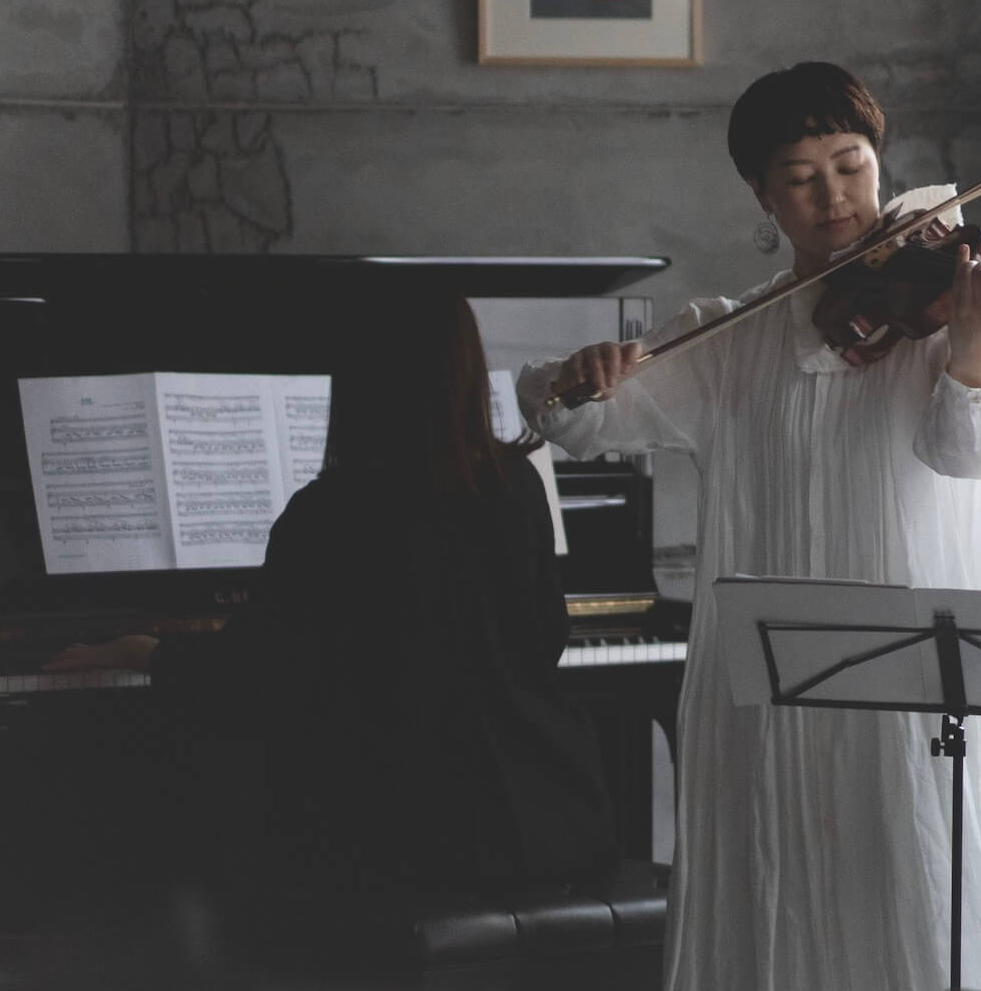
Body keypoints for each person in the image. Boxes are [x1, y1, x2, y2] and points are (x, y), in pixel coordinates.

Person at [518, 63, 981, 991]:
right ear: (762, 197)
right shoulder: (732, 339)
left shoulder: (939, 303)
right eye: (800, 178)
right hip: (784, 698)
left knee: (923, 908)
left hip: (920, 688)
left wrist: (978, 348)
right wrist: (576, 378)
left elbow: (970, 454)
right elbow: (572, 419)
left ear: (880, 164)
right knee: (798, 924)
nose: (836, 197)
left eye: (851, 166)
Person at [52, 296, 616, 956]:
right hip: (551, 819)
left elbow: (252, 677)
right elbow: (546, 637)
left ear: (359, 384)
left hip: (414, 846)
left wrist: (146, 651)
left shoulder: (330, 513)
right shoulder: (518, 486)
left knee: (243, 829)